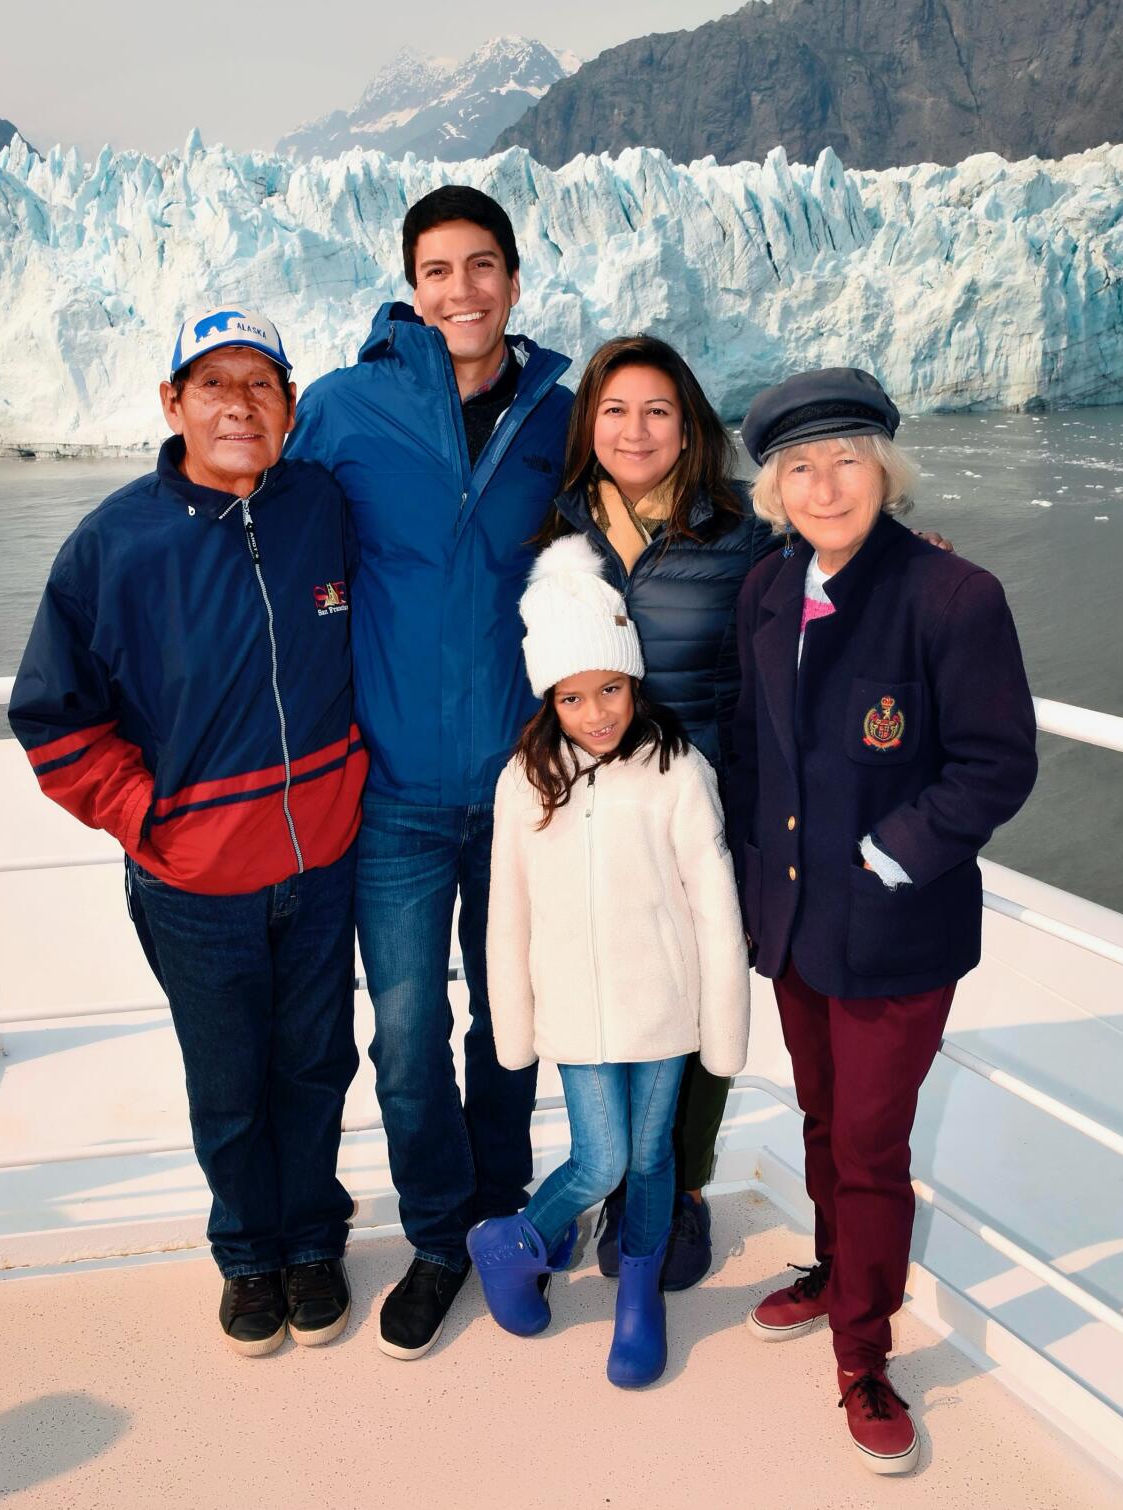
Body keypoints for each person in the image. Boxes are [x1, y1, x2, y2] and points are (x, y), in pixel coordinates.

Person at [9, 310, 367, 1357]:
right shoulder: (115, 543)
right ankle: (247, 1254)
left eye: (262, 384)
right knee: (228, 1081)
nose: (239, 404)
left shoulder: (322, 508)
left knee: (313, 1066)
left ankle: (312, 1240)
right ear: (173, 404)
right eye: (215, 383)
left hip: (321, 865)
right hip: (196, 884)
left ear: (291, 408)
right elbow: (52, 713)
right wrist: (143, 813)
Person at [728, 368, 1037, 1472]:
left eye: (846, 458)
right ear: (775, 488)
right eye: (798, 466)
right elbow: (756, 747)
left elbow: (997, 764)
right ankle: (832, 1268)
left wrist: (887, 853)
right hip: (798, 923)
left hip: (896, 929)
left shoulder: (954, 596)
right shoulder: (766, 589)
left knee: (869, 1142)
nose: (825, 483)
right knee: (822, 1119)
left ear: (884, 469)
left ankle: (864, 1351)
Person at [286, 186, 574, 1359]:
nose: (463, 289)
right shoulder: (346, 408)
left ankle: (503, 1210)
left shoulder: (558, 411)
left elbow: (664, 504)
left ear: (514, 278)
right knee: (407, 1038)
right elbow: (268, 530)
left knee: (510, 1023)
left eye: (484, 266)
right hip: (396, 792)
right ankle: (440, 1232)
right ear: (411, 285)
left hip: (519, 786)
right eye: (440, 269)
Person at [468, 535, 749, 1387]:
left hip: (663, 1006)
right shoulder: (526, 779)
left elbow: (713, 901)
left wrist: (722, 1024)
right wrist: (515, 1021)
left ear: (635, 682)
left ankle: (638, 1299)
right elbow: (506, 912)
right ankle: (511, 1240)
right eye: (574, 697)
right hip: (579, 1014)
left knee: (654, 1153)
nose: (597, 713)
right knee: (603, 1159)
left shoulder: (675, 766)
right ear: (550, 699)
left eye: (611, 690)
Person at [533, 334, 779, 1288]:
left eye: (658, 411)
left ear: (690, 427)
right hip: (591, 817)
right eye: (615, 410)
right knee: (603, 989)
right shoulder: (557, 534)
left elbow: (834, 563)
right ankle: (605, 1175)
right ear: (587, 423)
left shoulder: (742, 532)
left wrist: (906, 545)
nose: (635, 431)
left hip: (700, 805)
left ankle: (675, 1189)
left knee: (702, 988)